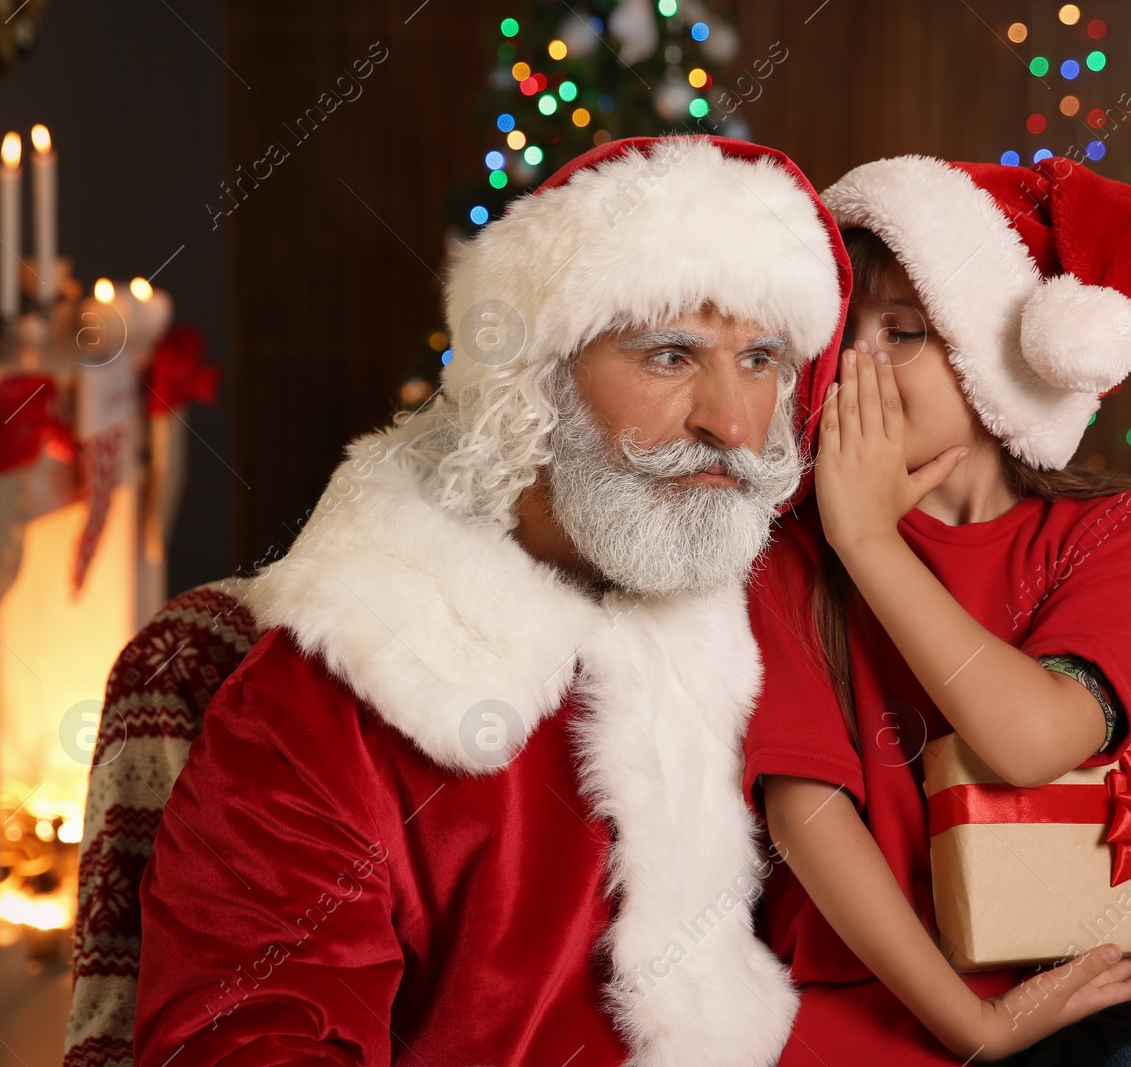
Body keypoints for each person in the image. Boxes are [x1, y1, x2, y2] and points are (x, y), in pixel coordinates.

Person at [131, 135, 857, 1066]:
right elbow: (241, 1038)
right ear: (536, 382)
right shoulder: (337, 685)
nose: (732, 422)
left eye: (760, 359)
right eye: (670, 355)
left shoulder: (785, 618)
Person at [744, 155, 1131, 1064]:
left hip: (1084, 968)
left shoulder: (1114, 528)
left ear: (998, 355)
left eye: (903, 331)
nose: (855, 363)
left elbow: (1031, 738)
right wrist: (973, 1024)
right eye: (841, 331)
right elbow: (807, 812)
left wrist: (870, 542)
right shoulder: (783, 547)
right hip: (872, 989)